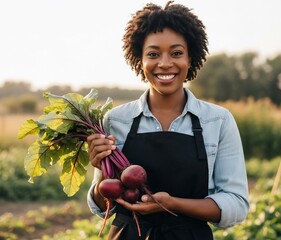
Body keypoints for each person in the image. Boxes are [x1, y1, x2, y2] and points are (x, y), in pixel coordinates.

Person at [87, 1, 249, 239]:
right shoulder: (115, 120)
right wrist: (102, 172)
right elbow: (102, 208)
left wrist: (173, 204)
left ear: (190, 58)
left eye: (176, 53)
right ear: (139, 60)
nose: (164, 63)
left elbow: (236, 204)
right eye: (153, 54)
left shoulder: (218, 121)